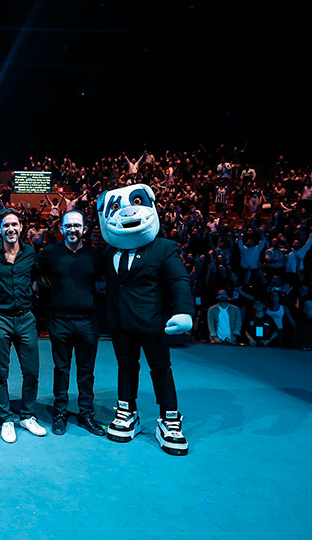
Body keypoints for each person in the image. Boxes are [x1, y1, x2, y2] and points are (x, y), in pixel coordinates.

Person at [96, 183, 193, 456]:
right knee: (126, 366)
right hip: (120, 324)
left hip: (153, 323)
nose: (126, 211)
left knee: (161, 368)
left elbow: (179, 280)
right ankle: (127, 409)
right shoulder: (107, 252)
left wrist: (184, 311)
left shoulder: (163, 247)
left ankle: (170, 418)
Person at [0, 208, 47, 443]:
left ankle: (27, 416)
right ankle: (6, 419)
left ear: (21, 227)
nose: (11, 229)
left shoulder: (30, 253)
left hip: (26, 318)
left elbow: (37, 277)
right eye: (6, 225)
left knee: (32, 372)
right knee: (0, 373)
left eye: (14, 224)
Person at [36, 210, 106, 437]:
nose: (72, 230)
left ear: (84, 228)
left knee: (86, 372)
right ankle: (60, 413)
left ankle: (86, 414)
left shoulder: (95, 256)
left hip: (88, 320)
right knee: (61, 369)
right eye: (68, 226)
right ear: (62, 228)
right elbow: (36, 276)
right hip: (60, 320)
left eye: (77, 226)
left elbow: (105, 282)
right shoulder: (49, 254)